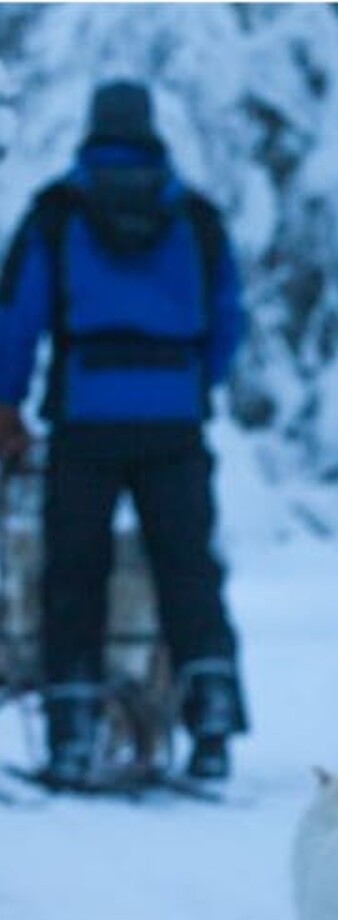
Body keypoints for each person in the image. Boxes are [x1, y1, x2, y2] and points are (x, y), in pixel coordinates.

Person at [0, 80, 250, 787]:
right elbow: (229, 315)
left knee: (74, 573)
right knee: (188, 572)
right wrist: (196, 382)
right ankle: (210, 725)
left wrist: (6, 403)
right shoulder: (195, 216)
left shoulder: (57, 212)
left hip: (84, 415)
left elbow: (16, 313)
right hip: (174, 419)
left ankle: (73, 732)